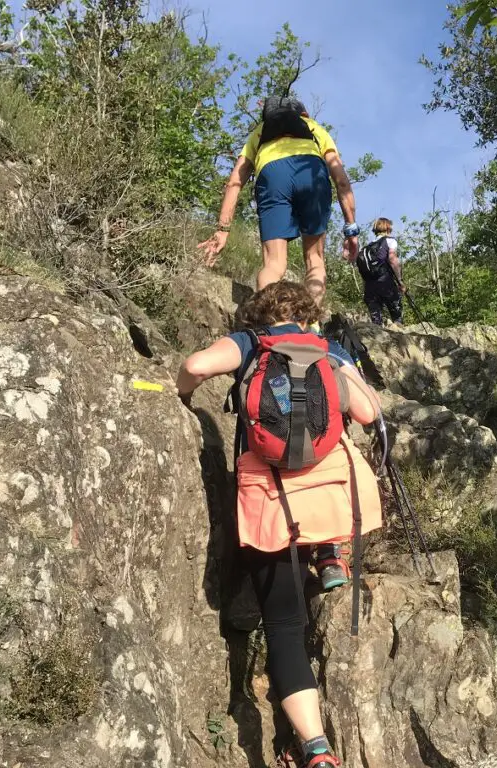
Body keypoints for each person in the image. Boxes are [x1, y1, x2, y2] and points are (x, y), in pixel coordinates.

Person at [176, 282, 382, 768]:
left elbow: (195, 367)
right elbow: (370, 413)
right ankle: (331, 556)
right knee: (321, 515)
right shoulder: (327, 350)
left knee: (286, 626)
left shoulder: (251, 343)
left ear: (258, 314)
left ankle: (315, 749)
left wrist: (182, 401)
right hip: (330, 500)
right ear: (308, 315)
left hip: (273, 501)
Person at [198, 96, 361, 304]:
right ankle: (310, 325)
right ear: (302, 114)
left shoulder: (260, 132)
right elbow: (342, 181)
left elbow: (234, 183)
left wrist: (222, 230)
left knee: (274, 264)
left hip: (272, 174)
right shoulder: (314, 128)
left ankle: (269, 326)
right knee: (315, 260)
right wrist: (350, 229)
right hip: (310, 172)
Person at [356, 217, 404, 326]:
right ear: (388, 227)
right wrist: (400, 281)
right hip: (386, 284)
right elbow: (392, 259)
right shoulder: (390, 241)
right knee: (397, 317)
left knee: (376, 322)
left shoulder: (366, 248)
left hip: (369, 287)